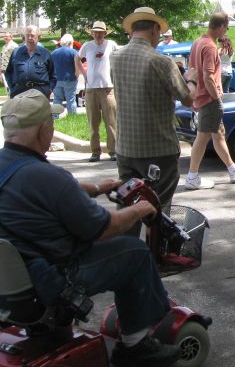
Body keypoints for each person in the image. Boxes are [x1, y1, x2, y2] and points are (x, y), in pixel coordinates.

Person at [0, 90, 181, 366]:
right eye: (52, 124)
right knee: (134, 252)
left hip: (16, 280)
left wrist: (96, 188)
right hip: (53, 279)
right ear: (42, 131)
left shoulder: (10, 166)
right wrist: (138, 210)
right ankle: (135, 346)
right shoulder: (49, 178)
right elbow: (103, 228)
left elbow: (44, 191)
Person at [111, 7, 196, 224]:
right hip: (158, 150)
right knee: (158, 208)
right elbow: (188, 99)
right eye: (159, 32)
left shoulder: (115, 57)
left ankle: (128, 249)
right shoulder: (161, 61)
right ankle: (156, 251)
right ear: (154, 28)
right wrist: (191, 78)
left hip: (126, 148)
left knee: (127, 204)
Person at [185, 12, 235, 190]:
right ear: (222, 26)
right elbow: (208, 77)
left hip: (202, 97)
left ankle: (233, 170)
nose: (226, 31)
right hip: (209, 99)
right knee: (202, 137)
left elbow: (191, 70)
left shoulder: (198, 42)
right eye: (227, 27)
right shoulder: (209, 47)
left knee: (219, 133)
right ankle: (192, 177)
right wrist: (216, 97)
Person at [76, 21, 119, 162]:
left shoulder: (111, 44)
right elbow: (77, 58)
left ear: (105, 33)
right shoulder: (87, 46)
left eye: (101, 32)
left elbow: (119, 58)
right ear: (92, 33)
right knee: (93, 123)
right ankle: (95, 151)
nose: (98, 35)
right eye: (96, 32)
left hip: (108, 88)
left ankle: (113, 151)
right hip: (91, 90)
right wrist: (83, 73)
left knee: (111, 122)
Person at [4, 25, 55, 99]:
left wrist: (49, 90)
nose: (29, 38)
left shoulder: (45, 54)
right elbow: (8, 72)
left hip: (40, 93)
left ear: (38, 37)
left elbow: (53, 75)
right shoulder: (16, 52)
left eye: (32, 35)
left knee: (39, 111)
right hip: (19, 93)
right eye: (27, 35)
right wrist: (12, 88)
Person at [51, 33, 79, 114]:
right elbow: (77, 66)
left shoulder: (54, 52)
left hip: (57, 79)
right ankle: (72, 117)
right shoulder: (73, 52)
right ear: (70, 42)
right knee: (71, 99)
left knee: (57, 99)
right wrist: (76, 76)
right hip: (70, 79)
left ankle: (55, 117)